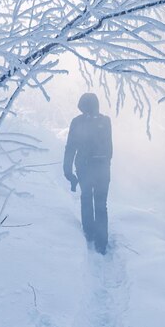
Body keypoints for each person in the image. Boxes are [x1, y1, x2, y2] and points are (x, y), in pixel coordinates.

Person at [63, 93, 113, 254]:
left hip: (84, 167)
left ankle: (89, 233)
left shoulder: (77, 122)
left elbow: (70, 146)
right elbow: (110, 149)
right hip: (103, 168)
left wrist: (68, 170)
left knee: (86, 198)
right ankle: (102, 243)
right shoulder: (106, 121)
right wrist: (105, 165)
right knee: (101, 205)